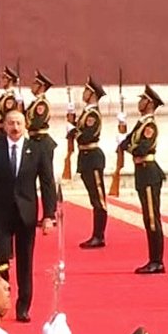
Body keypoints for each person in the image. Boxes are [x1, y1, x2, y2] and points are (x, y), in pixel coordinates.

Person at [0, 109, 57, 322]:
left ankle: (23, 306)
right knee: (1, 260)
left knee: (25, 262)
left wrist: (49, 215)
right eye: (11, 123)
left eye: (19, 123)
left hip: (27, 213)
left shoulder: (37, 149)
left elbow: (48, 183)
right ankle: (1, 300)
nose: (15, 127)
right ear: (3, 125)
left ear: (25, 126)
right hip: (1, 213)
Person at [119, 85, 167, 275]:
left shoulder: (150, 125)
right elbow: (127, 143)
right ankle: (153, 259)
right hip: (142, 172)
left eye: (143, 99)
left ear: (150, 103)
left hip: (149, 173)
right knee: (148, 219)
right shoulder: (141, 124)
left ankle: (157, 261)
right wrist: (128, 143)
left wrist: (130, 146)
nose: (139, 102)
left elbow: (140, 148)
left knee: (153, 218)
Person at [67, 76, 109, 248]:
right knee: (94, 198)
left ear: (92, 94)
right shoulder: (86, 113)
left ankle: (99, 236)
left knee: (99, 199)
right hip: (85, 158)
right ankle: (96, 234)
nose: (83, 93)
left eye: (85, 90)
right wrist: (73, 122)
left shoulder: (93, 114)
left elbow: (86, 135)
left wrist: (73, 130)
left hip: (93, 157)